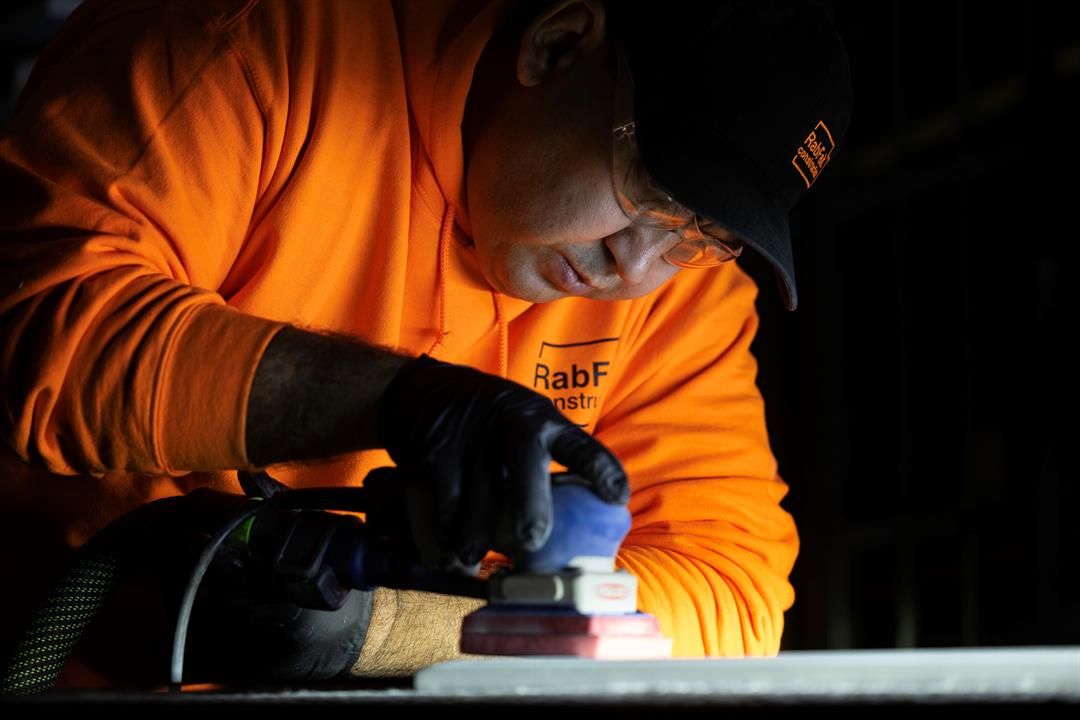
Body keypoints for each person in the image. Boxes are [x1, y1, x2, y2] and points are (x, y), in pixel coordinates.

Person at [0, 0, 852, 687]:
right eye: (650, 191)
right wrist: (398, 402)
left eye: (697, 234)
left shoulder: (683, 294)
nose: (638, 265)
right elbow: (47, 339)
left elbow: (732, 590)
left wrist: (394, 630)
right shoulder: (259, 38)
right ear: (557, 46)